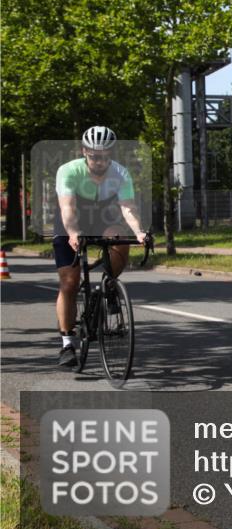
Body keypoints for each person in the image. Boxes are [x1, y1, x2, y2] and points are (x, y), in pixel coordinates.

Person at [53, 126, 148, 368]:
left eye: (106, 156)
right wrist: (73, 233)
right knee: (69, 283)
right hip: (71, 221)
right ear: (84, 151)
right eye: (95, 156)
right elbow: (67, 207)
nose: (100, 161)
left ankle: (109, 285)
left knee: (120, 236)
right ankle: (67, 343)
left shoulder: (120, 173)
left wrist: (139, 232)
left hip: (102, 219)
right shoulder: (68, 171)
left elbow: (127, 207)